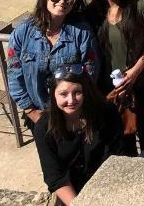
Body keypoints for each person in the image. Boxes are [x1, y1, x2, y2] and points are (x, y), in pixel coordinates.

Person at [7, 0, 99, 128]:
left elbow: (90, 72)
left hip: (73, 112)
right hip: (38, 112)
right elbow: (14, 75)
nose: (62, 2)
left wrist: (74, 109)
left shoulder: (81, 32)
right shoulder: (23, 32)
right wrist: (31, 111)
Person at [87, 0, 144, 155]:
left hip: (140, 85)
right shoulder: (94, 13)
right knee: (121, 144)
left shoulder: (140, 5)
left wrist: (135, 71)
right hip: (110, 91)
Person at [33, 66, 123, 205]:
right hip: (69, 194)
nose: (71, 100)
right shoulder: (43, 128)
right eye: (63, 94)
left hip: (106, 186)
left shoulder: (107, 114)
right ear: (53, 94)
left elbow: (114, 159)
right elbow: (55, 176)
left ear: (86, 91)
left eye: (77, 92)